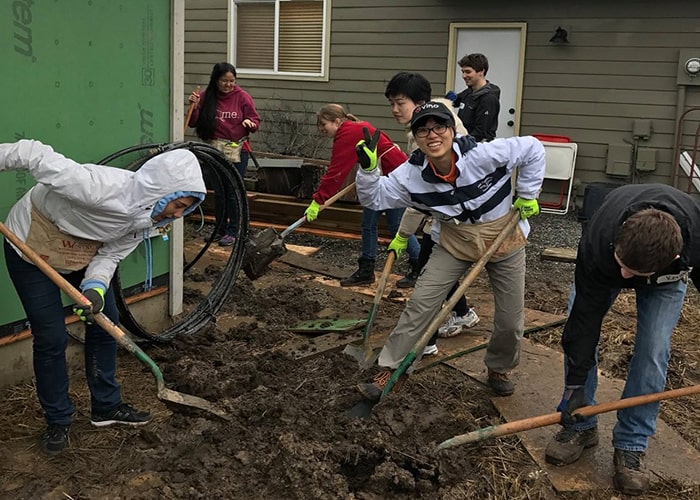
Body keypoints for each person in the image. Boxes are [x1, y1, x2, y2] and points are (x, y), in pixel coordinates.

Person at [0, 139, 206, 456]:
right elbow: (33, 153)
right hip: (32, 245)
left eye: (185, 210)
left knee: (105, 319)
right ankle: (58, 419)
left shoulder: (146, 221)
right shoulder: (100, 188)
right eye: (178, 205)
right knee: (51, 336)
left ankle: (106, 406)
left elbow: (109, 257)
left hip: (80, 253)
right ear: (163, 191)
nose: (178, 215)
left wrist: (94, 288)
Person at [354, 101, 545, 400]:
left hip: (503, 235)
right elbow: (375, 198)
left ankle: (499, 366)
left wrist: (528, 194)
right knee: (421, 304)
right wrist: (368, 170)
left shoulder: (481, 154)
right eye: (423, 130)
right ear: (415, 137)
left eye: (439, 127)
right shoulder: (411, 174)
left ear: (452, 129)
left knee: (510, 319)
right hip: (454, 241)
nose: (432, 135)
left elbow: (533, 148)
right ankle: (393, 369)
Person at [544, 184, 700, 496]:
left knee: (653, 349)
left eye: (633, 272)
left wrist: (645, 271)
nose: (625, 278)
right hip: (603, 263)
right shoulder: (602, 240)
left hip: (665, 278)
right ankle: (580, 424)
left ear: (677, 256)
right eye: (623, 266)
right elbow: (582, 326)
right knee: (581, 329)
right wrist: (574, 387)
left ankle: (631, 444)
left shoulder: (697, 239)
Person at [384, 72, 479, 341]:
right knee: (431, 268)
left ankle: (429, 338)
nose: (394, 109)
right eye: (391, 103)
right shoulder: (436, 121)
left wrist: (402, 235)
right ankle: (461, 314)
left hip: (457, 213)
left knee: (430, 273)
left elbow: (422, 193)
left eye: (400, 103)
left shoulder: (431, 135)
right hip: (445, 212)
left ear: (421, 102)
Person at [308, 103, 420, 287]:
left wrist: (317, 200)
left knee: (396, 226)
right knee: (372, 225)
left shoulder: (347, 134)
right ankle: (367, 271)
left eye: (323, 124)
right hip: (383, 176)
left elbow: (336, 172)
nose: (321, 129)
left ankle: (418, 267)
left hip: (395, 180)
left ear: (337, 121)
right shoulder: (357, 127)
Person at [188, 62, 260, 246]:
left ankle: (234, 230)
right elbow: (193, 123)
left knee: (233, 191)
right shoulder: (206, 97)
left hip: (237, 151)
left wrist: (250, 123)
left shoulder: (242, 97)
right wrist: (194, 108)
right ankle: (219, 229)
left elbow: (255, 120)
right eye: (224, 81)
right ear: (216, 80)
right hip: (215, 149)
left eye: (232, 81)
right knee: (219, 191)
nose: (228, 85)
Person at [448, 53, 500, 143]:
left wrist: (459, 143)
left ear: (481, 71)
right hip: (464, 142)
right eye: (462, 72)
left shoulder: (488, 99)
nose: (464, 76)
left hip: (478, 148)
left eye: (468, 72)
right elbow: (451, 103)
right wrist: (446, 100)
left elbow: (480, 132)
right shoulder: (469, 92)